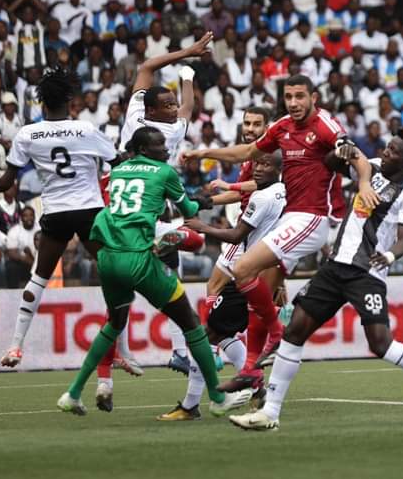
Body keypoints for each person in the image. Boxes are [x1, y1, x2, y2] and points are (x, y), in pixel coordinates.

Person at [230, 128, 403, 431]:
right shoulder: (370, 167)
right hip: (335, 267)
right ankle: (270, 412)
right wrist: (340, 151)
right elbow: (331, 163)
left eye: (393, 151)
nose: (385, 152)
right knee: (294, 332)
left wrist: (390, 256)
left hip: (366, 273)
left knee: (380, 344)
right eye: (387, 147)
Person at [183, 75, 377, 396]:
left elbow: (356, 156)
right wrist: (205, 153)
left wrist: (365, 183)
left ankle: (275, 331)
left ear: (313, 97)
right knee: (254, 289)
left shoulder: (325, 125)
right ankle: (250, 369)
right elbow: (247, 151)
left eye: (300, 96)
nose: (294, 103)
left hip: (312, 218)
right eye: (289, 97)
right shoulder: (283, 126)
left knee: (242, 269)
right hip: (291, 218)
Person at [57, 126, 244, 417]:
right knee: (192, 324)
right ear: (144, 149)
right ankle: (219, 398)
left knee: (114, 324)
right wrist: (202, 200)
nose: (166, 150)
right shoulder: (164, 171)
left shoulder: (119, 171)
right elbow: (189, 210)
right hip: (138, 257)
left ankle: (73, 393)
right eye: (160, 145)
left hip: (107, 256)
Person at [0, 69, 119, 369]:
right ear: (70, 100)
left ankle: (15, 346)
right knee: (113, 274)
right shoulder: (86, 129)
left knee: (39, 277)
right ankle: (119, 349)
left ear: (42, 102)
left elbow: (7, 180)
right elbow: (118, 162)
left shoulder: (27, 134)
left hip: (56, 213)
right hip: (89, 211)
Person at [157, 149, 285, 421]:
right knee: (219, 331)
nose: (258, 169)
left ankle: (197, 404)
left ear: (277, 169)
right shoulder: (282, 191)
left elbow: (237, 234)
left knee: (205, 336)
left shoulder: (262, 197)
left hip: (249, 272)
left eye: (265, 165)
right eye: (257, 164)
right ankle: (256, 385)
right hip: (256, 269)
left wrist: (202, 227)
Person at [119, 31, 212, 372]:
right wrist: (187, 75)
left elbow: (146, 66)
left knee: (145, 282)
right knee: (172, 273)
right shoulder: (168, 133)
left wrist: (185, 52)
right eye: (167, 105)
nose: (174, 109)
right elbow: (189, 107)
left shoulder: (134, 115)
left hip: (122, 207)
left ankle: (173, 351)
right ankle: (171, 349)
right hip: (148, 213)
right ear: (154, 110)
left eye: (172, 104)